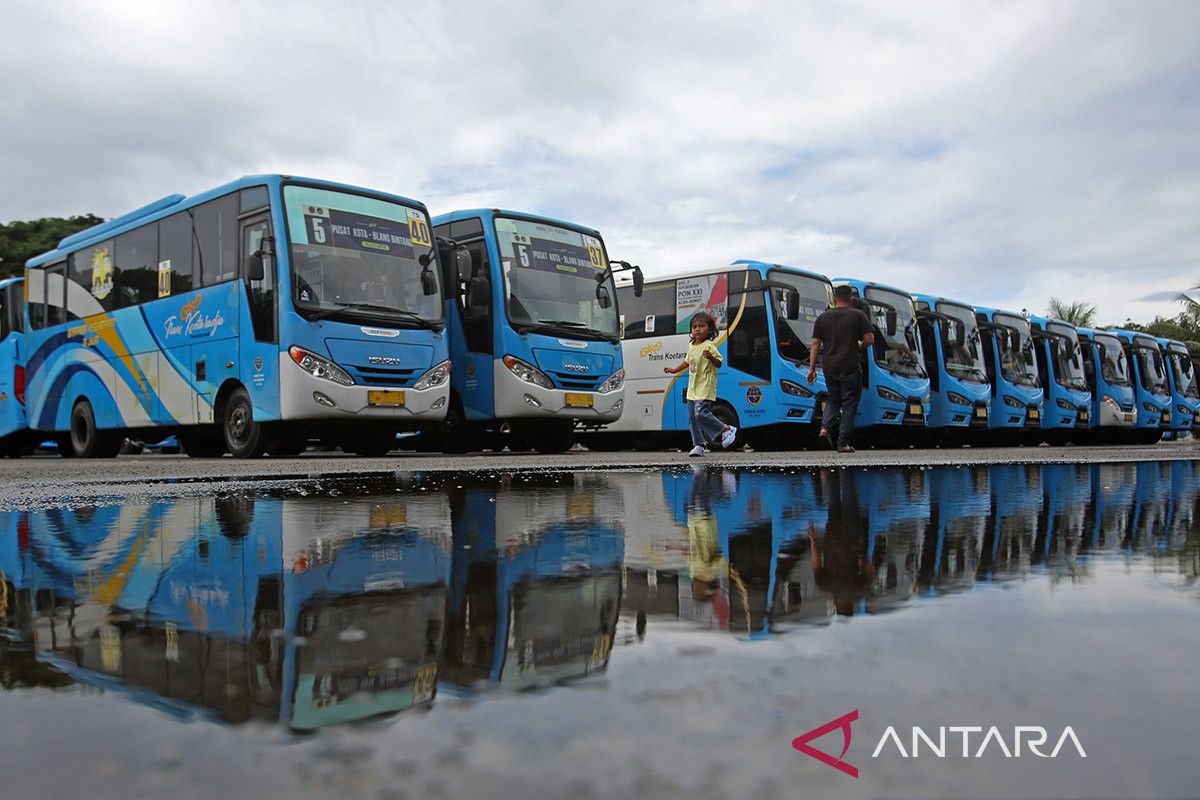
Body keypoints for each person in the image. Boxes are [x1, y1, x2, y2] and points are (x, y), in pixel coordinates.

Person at [807, 285, 874, 452]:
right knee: (850, 403)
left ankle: (825, 429)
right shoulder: (858, 315)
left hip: (829, 366)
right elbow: (870, 339)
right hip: (850, 365)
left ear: (834, 299)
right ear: (851, 299)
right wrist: (860, 345)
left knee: (833, 399)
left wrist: (812, 369)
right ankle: (842, 443)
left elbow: (815, 344)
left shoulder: (822, 317)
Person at [664, 310, 737, 457]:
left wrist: (711, 357)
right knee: (692, 417)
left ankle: (726, 429)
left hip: (705, 386)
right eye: (694, 326)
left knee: (701, 413)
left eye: (701, 326)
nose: (697, 329)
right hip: (693, 386)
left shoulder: (710, 345)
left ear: (709, 329)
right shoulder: (691, 345)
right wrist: (674, 370)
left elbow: (719, 363)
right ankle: (698, 445)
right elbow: (687, 361)